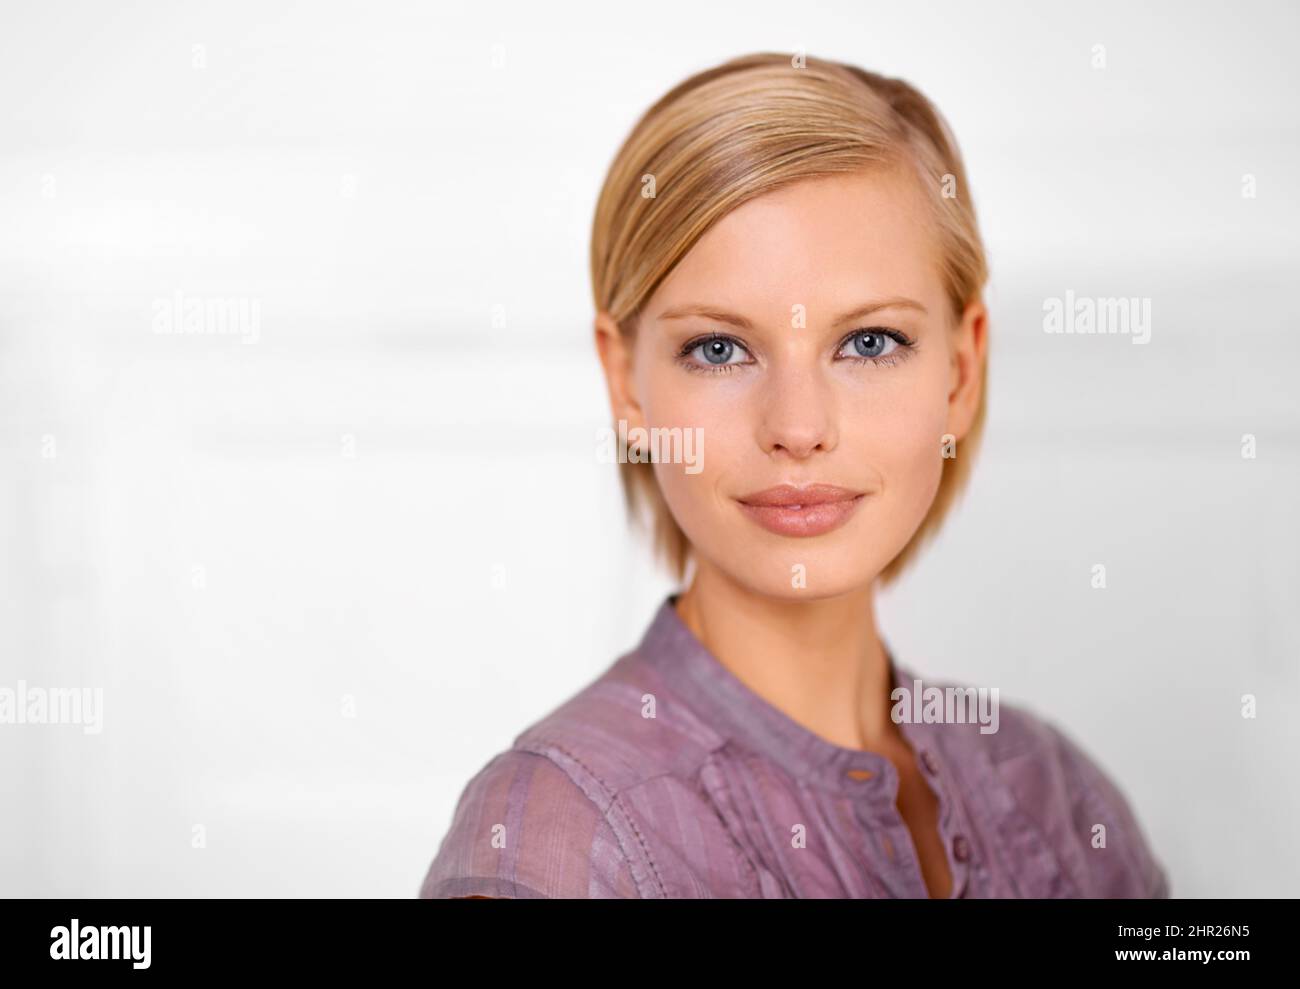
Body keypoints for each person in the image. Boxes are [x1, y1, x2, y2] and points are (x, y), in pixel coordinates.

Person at [419, 51, 1170, 899]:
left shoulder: (1059, 797)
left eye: (870, 342)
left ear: (961, 372)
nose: (798, 428)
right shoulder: (555, 836)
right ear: (626, 381)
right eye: (719, 348)